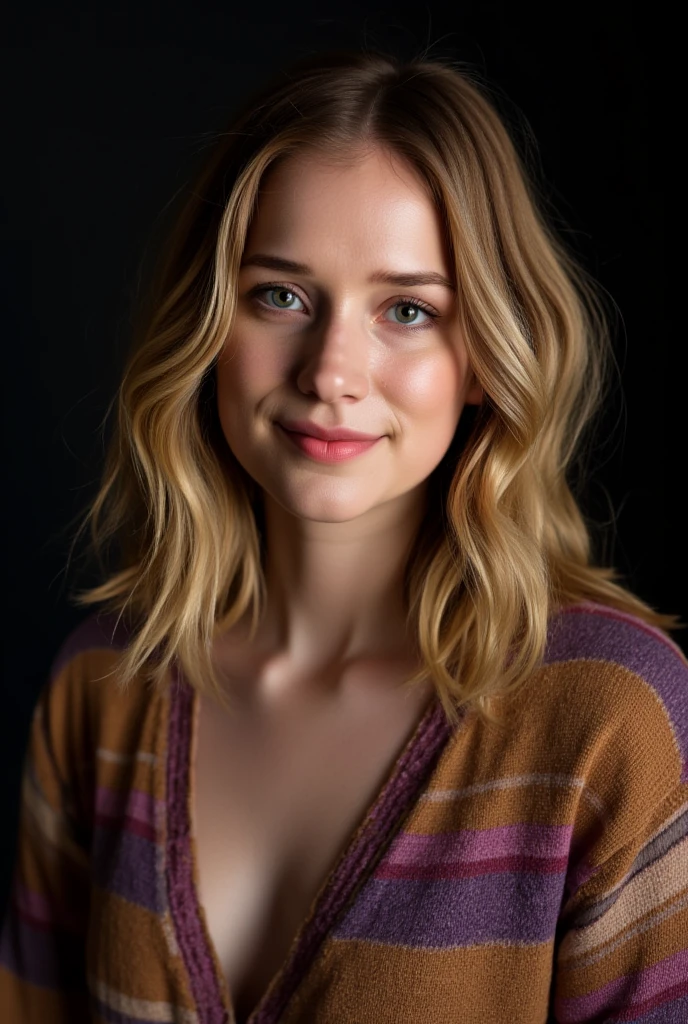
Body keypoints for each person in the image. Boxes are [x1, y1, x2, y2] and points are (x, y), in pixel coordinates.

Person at [1, 45, 686, 1024]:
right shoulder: (100, 694)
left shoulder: (610, 722)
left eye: (407, 310)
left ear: (486, 355)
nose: (332, 369)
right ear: (207, 323)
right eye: (280, 294)